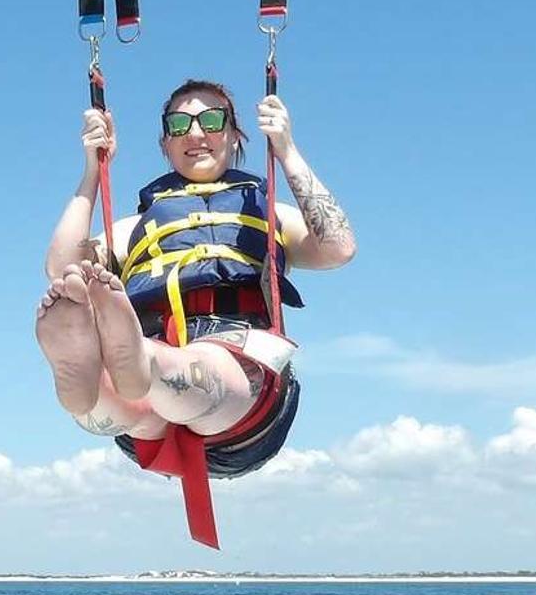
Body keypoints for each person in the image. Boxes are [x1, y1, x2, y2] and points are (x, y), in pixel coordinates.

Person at [38, 80, 355, 477]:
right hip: (151, 387)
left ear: (235, 135)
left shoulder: (267, 211)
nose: (195, 133)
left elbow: (338, 246)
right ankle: (99, 376)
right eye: (179, 125)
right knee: (137, 406)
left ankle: (132, 366)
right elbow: (62, 266)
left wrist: (286, 151)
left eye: (211, 120)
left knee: (202, 371)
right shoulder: (138, 225)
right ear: (165, 143)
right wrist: (92, 170)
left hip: (242, 393)